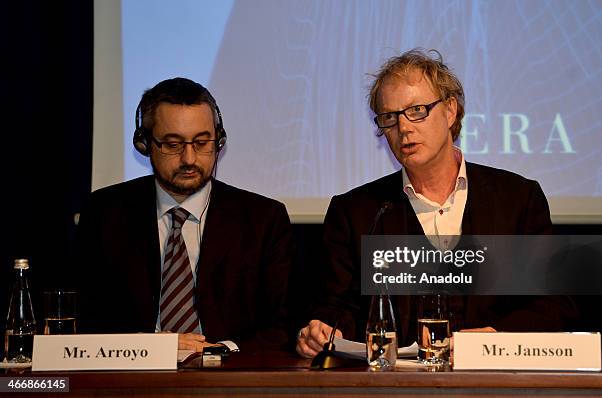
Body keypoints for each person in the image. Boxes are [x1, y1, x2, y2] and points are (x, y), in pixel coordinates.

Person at [296, 49, 576, 358]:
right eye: (390, 117)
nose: (404, 128)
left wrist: (493, 337)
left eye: (417, 110)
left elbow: (555, 303)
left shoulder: (517, 199)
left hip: (494, 381)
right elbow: (337, 309)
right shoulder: (357, 212)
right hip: (395, 388)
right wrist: (323, 330)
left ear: (450, 111)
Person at [77, 77, 294, 352]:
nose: (189, 159)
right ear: (145, 144)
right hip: (132, 381)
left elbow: (283, 325)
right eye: (172, 144)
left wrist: (218, 351)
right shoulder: (105, 214)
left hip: (228, 381)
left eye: (202, 142)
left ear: (220, 141)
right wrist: (149, 346)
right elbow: (84, 319)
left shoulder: (263, 219)